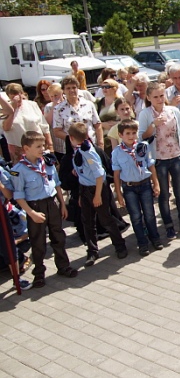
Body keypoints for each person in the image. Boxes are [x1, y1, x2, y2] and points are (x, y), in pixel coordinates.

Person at [10, 131, 77, 287]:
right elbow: (18, 196)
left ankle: (63, 266)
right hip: (35, 206)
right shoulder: (18, 169)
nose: (42, 149)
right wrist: (31, 213)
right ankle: (39, 274)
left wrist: (62, 204)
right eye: (38, 146)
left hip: (51, 204)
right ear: (26, 148)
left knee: (58, 237)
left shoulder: (47, 162)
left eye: (43, 145)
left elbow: (57, 184)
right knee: (38, 242)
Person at [138, 82, 180, 240]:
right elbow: (142, 137)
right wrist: (153, 125)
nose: (159, 99)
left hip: (176, 156)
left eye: (161, 96)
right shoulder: (145, 114)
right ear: (149, 98)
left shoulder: (173, 111)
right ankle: (169, 226)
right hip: (158, 160)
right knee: (163, 194)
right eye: (155, 97)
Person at [69, 123, 127, 266]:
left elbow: (100, 174)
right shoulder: (78, 150)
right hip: (85, 188)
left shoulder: (89, 152)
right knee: (87, 221)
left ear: (71, 138)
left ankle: (120, 245)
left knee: (106, 219)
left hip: (97, 189)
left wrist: (97, 195)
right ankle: (92, 251)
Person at [112, 120, 163, 257]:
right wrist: (119, 194)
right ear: (120, 135)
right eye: (127, 133)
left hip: (145, 184)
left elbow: (150, 165)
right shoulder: (117, 152)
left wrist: (156, 183)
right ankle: (142, 243)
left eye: (134, 133)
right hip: (129, 188)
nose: (131, 136)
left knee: (150, 214)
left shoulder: (143, 146)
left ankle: (155, 238)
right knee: (135, 217)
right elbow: (116, 175)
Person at [0, 83, 52, 163]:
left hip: (38, 145)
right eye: (14, 94)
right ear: (8, 96)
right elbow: (6, 128)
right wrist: (12, 110)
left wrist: (50, 144)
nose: (18, 97)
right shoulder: (5, 109)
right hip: (18, 148)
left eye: (19, 93)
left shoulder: (32, 105)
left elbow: (44, 125)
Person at [53, 76, 104, 150]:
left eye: (74, 87)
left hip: (91, 145)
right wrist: (74, 139)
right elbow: (57, 131)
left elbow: (98, 125)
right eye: (68, 88)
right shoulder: (58, 109)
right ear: (63, 91)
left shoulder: (89, 104)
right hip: (72, 148)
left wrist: (101, 144)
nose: (71, 90)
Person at [43, 83, 65, 162]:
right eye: (51, 96)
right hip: (56, 143)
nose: (54, 98)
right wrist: (54, 107)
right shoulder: (48, 107)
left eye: (56, 95)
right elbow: (47, 122)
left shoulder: (67, 104)